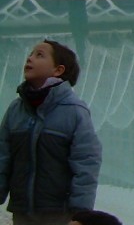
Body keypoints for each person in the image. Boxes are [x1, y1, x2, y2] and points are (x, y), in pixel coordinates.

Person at [0, 40, 102, 225]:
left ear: (58, 70)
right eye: (30, 54)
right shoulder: (16, 109)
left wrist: (81, 213)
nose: (30, 58)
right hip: (22, 211)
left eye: (39, 55)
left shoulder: (75, 111)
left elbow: (87, 164)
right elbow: (2, 158)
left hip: (59, 213)